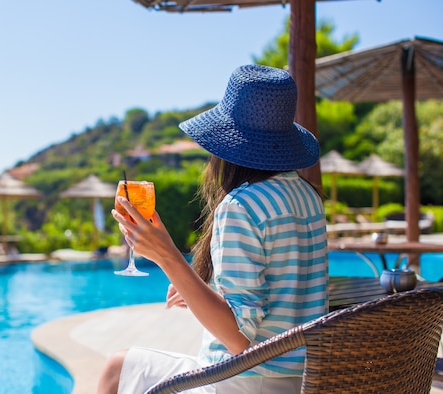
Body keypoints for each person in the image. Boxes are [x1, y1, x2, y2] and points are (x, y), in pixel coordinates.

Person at [97, 64, 328, 394]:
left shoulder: (240, 206)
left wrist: (167, 256)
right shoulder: (308, 198)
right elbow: (279, 294)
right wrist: (202, 288)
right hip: (301, 381)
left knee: (115, 369)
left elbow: (238, 339)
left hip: (241, 382)